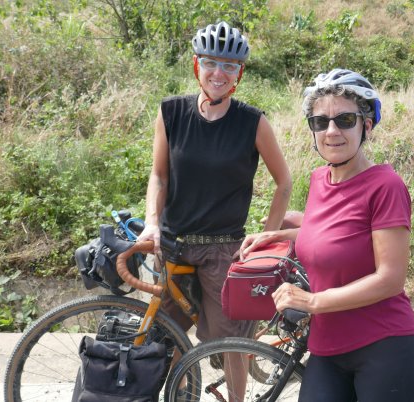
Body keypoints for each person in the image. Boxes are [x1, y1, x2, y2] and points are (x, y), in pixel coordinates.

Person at [240, 68, 414, 402]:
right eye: (320, 121)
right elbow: (332, 234)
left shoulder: (386, 186)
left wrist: (312, 301)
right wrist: (277, 236)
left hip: (383, 347)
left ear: (367, 125)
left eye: (345, 120)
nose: (332, 131)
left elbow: (390, 279)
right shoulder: (319, 179)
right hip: (327, 348)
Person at [138, 21, 291, 401]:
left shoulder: (252, 122)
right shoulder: (171, 112)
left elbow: (284, 182)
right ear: (197, 65)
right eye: (210, 62)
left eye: (229, 66)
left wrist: (266, 235)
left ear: (240, 73)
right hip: (172, 245)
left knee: (231, 342)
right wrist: (152, 223)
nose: (218, 73)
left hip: (223, 250)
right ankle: (179, 396)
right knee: (169, 334)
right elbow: (159, 175)